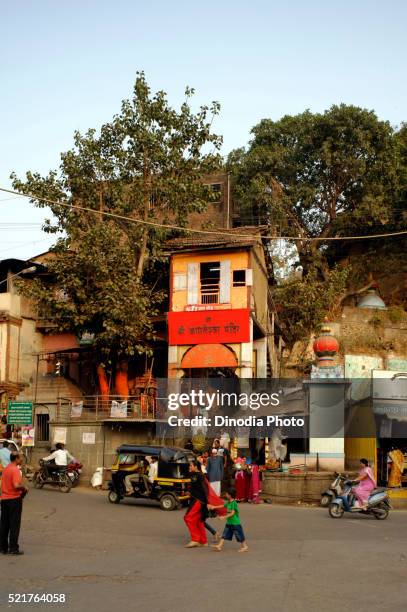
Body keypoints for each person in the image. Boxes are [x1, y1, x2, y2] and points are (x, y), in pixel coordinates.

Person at [184, 460, 226, 548]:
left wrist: (207, 503)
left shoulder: (200, 476)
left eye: (191, 466)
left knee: (188, 518)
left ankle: (195, 539)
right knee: (199, 520)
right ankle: (203, 541)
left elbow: (206, 490)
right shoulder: (193, 474)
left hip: (199, 501)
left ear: (196, 466)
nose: (190, 467)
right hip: (196, 499)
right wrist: (189, 492)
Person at [0, 452, 28, 555]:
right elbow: (16, 485)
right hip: (14, 500)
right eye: (21, 458)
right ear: (16, 458)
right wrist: (24, 487)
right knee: (14, 524)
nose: (22, 459)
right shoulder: (15, 470)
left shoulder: (6, 468)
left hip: (4, 499)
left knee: (4, 524)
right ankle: (13, 548)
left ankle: (3, 547)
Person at [210, 489, 248, 553]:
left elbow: (232, 513)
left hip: (235, 523)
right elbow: (222, 506)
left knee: (239, 535)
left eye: (227, 494)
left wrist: (224, 517)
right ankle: (219, 546)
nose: (226, 495)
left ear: (230, 495)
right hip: (229, 522)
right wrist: (214, 507)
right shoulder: (229, 502)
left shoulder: (234, 503)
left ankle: (245, 546)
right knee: (224, 534)